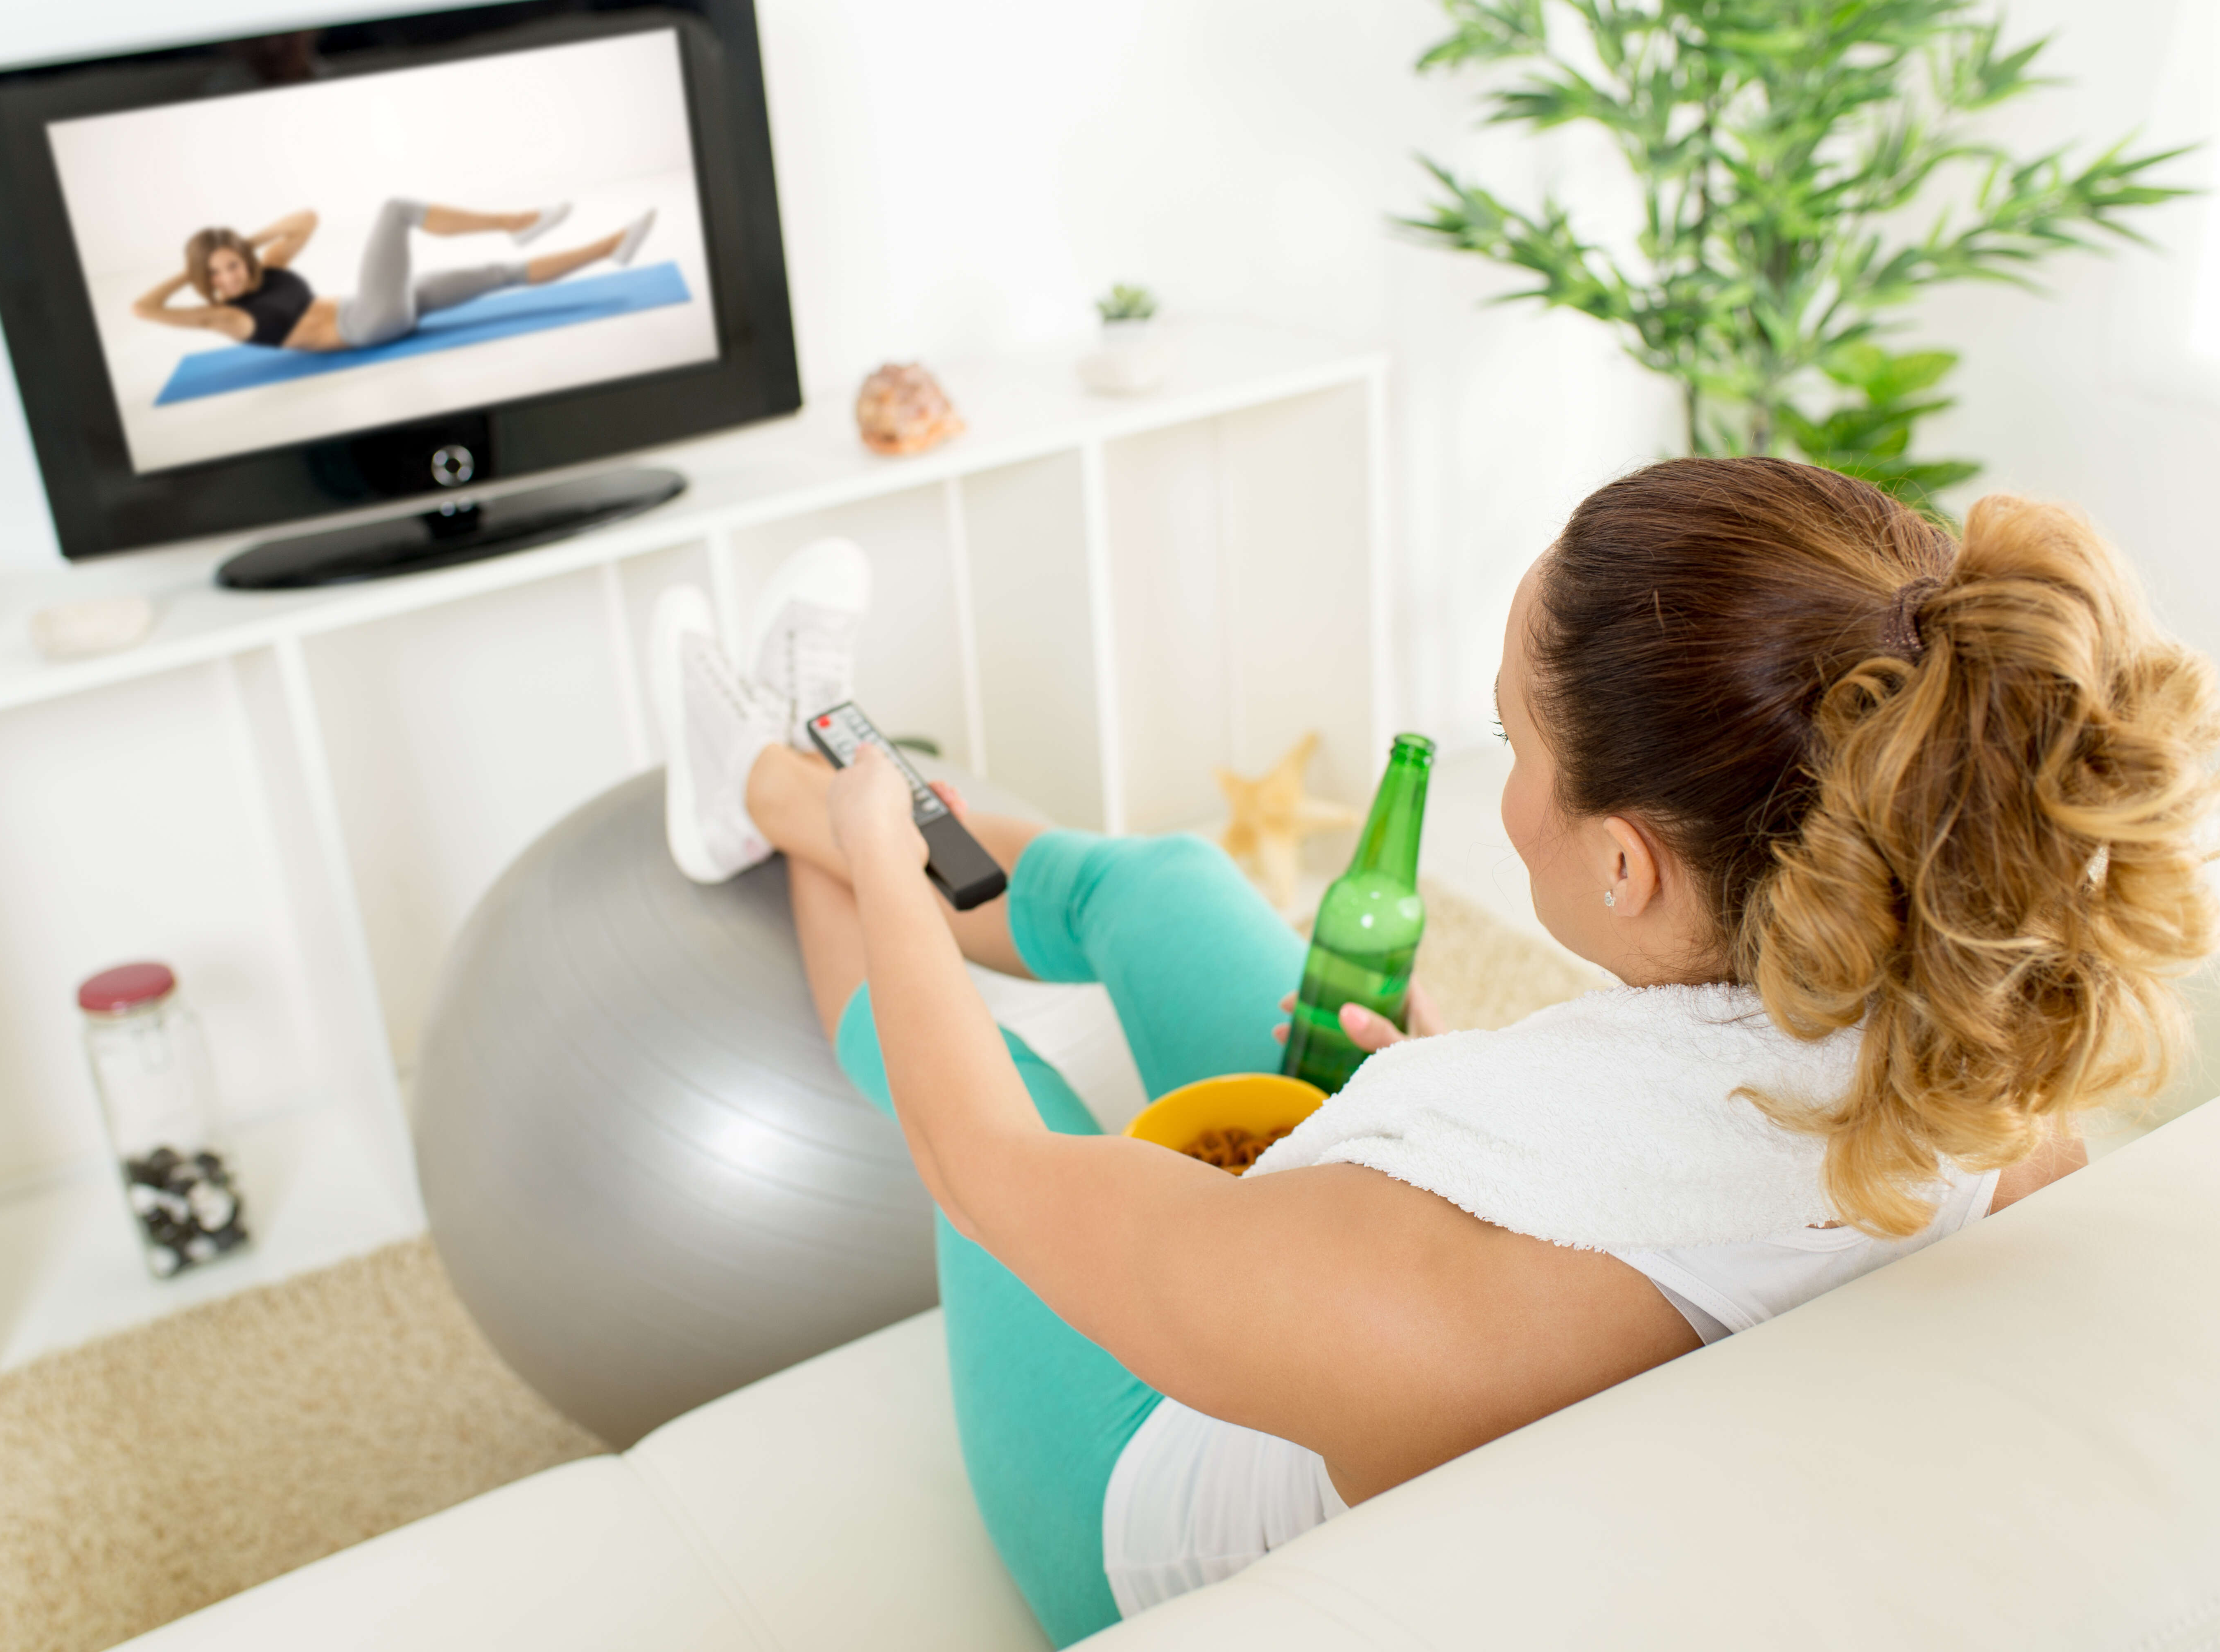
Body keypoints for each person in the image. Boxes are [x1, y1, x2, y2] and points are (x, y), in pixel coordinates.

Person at [646, 460, 2218, 1646]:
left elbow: (984, 1161)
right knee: (1170, 882)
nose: (1501, 780)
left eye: (1512, 742)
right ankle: (784, 755)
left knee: (1030, 1083)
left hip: (1128, 1495)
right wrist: (1469, 1102)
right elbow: (1668, 1170)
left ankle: (785, 792)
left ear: (1622, 865)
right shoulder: (1973, 1067)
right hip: (1367, 1289)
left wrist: (883, 855)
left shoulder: (1435, 1290)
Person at [130, 197, 656, 352]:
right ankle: (516, 222)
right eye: (217, 273)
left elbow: (306, 219)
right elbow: (143, 309)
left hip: (383, 307)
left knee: (501, 273)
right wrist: (189, 274)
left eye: (233, 264)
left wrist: (245, 242)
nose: (230, 276)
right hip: (367, 324)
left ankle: (612, 247)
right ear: (206, 281)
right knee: (396, 211)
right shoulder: (222, 317)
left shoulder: (267, 269)